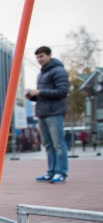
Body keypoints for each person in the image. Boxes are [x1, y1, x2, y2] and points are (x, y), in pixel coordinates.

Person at [25, 46, 69, 183]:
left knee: (58, 144)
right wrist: (32, 97)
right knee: (48, 145)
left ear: (49, 55)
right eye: (37, 57)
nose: (39, 59)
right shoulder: (41, 74)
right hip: (42, 113)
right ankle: (51, 171)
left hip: (54, 113)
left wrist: (40, 92)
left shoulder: (58, 71)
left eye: (42, 56)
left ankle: (61, 172)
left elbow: (62, 92)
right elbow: (44, 94)